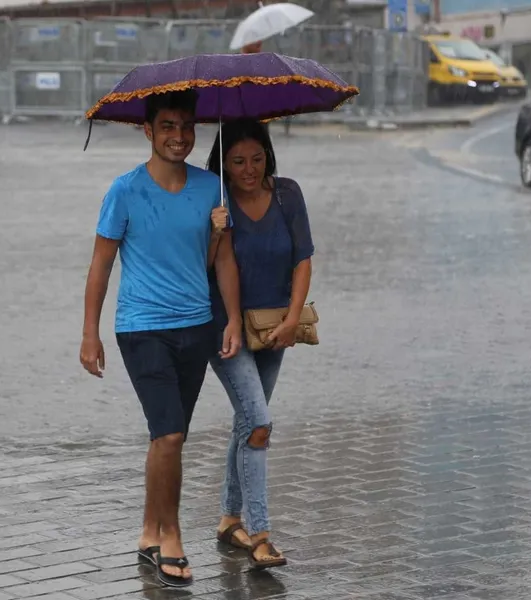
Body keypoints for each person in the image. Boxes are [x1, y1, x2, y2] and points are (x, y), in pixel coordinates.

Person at [79, 89, 243, 588]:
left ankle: (148, 531)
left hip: (197, 326)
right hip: (142, 327)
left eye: (187, 126)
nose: (179, 136)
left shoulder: (211, 188)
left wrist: (233, 317)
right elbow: (101, 265)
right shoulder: (125, 191)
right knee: (170, 435)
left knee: (168, 436)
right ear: (147, 130)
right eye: (168, 126)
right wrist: (90, 334)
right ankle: (170, 538)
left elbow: (220, 261)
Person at [204, 118, 314, 569]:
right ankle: (261, 534)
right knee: (259, 423)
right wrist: (215, 232)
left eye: (257, 159)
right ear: (223, 164)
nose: (249, 169)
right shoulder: (213, 200)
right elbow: (205, 266)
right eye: (237, 162)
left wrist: (291, 320)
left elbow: (303, 259)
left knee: (247, 423)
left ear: (269, 156)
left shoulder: (288, 194)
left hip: (274, 328)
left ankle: (230, 520)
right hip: (224, 329)